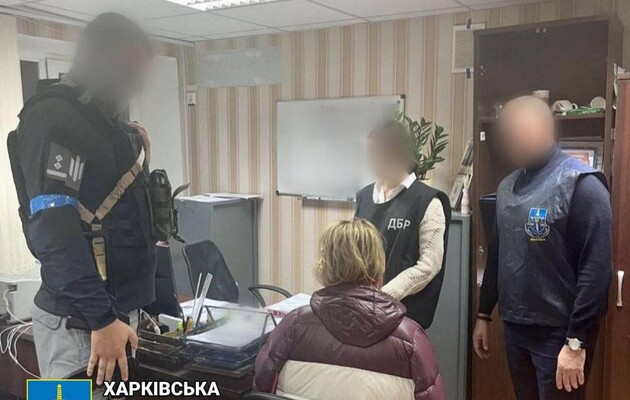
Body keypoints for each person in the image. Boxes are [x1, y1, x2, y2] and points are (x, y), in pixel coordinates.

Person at [11, 13, 156, 384]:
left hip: (112, 315)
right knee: (59, 396)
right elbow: (52, 229)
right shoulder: (57, 119)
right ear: (107, 59)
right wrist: (102, 319)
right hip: (82, 323)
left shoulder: (101, 122)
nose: (138, 83)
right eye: (133, 68)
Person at [472, 96, 612, 400]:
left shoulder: (583, 184)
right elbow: (497, 253)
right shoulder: (506, 187)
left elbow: (597, 270)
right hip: (515, 327)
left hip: (560, 334)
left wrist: (576, 341)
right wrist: (483, 314)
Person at [254, 219, 446, 400]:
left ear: (325, 268)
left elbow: (261, 386)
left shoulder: (292, 326)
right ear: (378, 269)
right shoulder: (411, 340)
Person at [355, 121, 451, 328]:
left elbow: (429, 266)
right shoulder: (364, 196)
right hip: (363, 310)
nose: (371, 160)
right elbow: (354, 251)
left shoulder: (427, 201)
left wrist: (383, 296)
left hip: (404, 315)